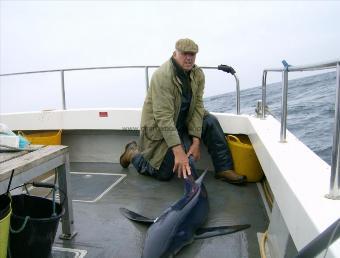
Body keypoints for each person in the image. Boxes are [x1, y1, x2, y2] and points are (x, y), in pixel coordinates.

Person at [120, 38, 246, 184]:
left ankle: (224, 168)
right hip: (160, 129)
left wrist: (196, 141)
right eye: (185, 54)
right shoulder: (162, 76)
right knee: (164, 173)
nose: (189, 58)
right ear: (175, 54)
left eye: (192, 54)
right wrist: (179, 153)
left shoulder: (198, 74)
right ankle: (133, 154)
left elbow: (198, 106)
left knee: (210, 121)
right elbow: (163, 117)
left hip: (183, 122)